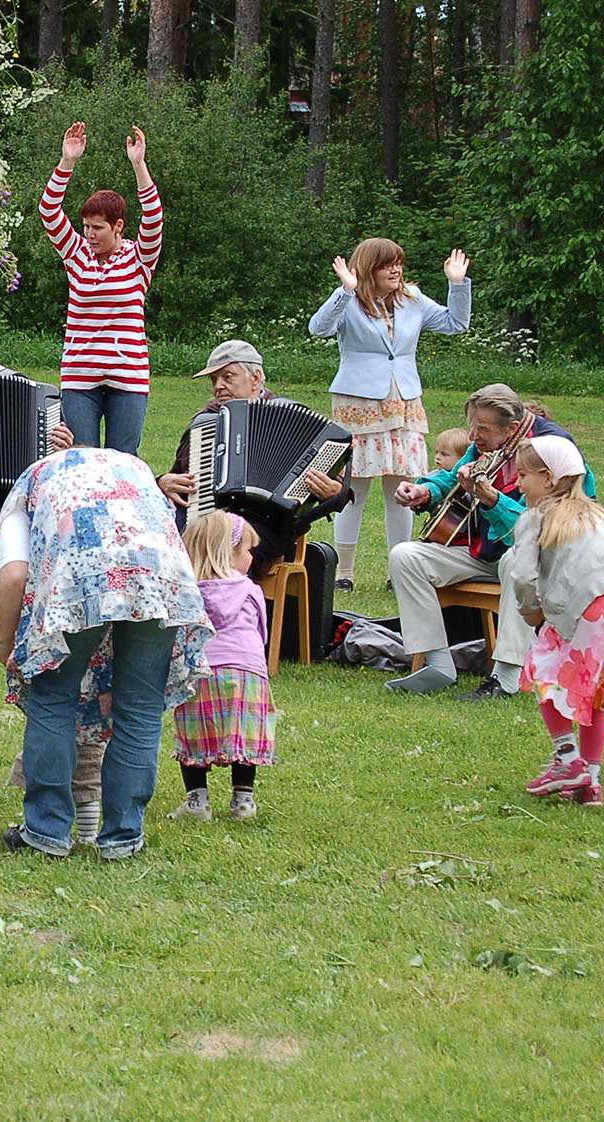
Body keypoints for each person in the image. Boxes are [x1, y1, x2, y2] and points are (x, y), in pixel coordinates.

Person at [0, 445, 212, 859]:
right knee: (141, 706)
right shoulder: (136, 468)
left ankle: (45, 832)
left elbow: (13, 574)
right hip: (158, 573)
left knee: (53, 695)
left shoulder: (25, 487)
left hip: (82, 572)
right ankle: (124, 838)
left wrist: (4, 644)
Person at [387, 384, 592, 699]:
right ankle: (439, 665)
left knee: (516, 560)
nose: (472, 436)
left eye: (481, 428)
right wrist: (425, 490)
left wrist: (494, 502)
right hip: (484, 550)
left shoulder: (555, 450)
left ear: (511, 427)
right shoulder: (492, 443)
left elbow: (543, 530)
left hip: (543, 559)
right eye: (472, 426)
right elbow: (454, 475)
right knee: (405, 556)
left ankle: (507, 676)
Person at [308, 238, 472, 590]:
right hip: (360, 405)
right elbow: (317, 328)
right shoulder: (349, 302)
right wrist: (344, 292)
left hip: (405, 405)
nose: (396, 270)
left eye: (398, 262)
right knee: (352, 491)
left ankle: (399, 572)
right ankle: (343, 574)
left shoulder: (412, 298)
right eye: (387, 265)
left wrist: (457, 285)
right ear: (369, 269)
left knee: (402, 490)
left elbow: (455, 324)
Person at [505, 436, 604, 809]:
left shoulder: (536, 517)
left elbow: (520, 577)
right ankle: (590, 784)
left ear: (549, 479)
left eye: (523, 475)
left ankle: (567, 761)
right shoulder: (597, 515)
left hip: (591, 607)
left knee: (542, 671)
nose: (517, 483)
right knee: (592, 693)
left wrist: (531, 613)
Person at [155, 339, 350, 599]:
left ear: (255, 377)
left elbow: (341, 489)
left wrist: (334, 491)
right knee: (160, 544)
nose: (218, 386)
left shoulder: (288, 415)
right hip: (206, 515)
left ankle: (222, 628)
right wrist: (163, 481)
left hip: (267, 524)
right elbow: (178, 477)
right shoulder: (206, 422)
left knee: (223, 549)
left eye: (227, 376)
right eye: (214, 379)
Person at [37, 121, 163, 454]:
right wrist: (67, 162)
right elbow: (48, 211)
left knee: (123, 461)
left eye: (97, 228)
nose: (89, 234)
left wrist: (139, 164)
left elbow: (153, 216)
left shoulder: (138, 258)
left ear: (118, 226)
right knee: (80, 459)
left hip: (128, 378)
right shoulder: (76, 253)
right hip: (79, 377)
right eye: (86, 227)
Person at [169, 511, 275, 823]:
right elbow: (261, 631)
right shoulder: (251, 590)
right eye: (247, 550)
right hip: (247, 671)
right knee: (244, 735)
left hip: (200, 671)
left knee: (193, 735)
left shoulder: (187, 592)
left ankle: (197, 802)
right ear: (226, 554)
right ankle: (243, 800)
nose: (252, 556)